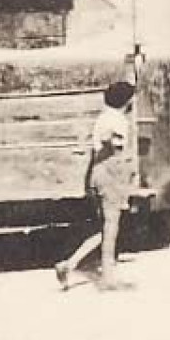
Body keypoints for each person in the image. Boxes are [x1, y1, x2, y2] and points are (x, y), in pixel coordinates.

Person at [56, 80, 138, 292]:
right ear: (126, 101)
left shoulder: (104, 116)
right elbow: (113, 143)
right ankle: (108, 278)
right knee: (111, 229)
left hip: (101, 173)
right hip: (112, 174)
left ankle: (69, 264)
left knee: (105, 228)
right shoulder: (117, 120)